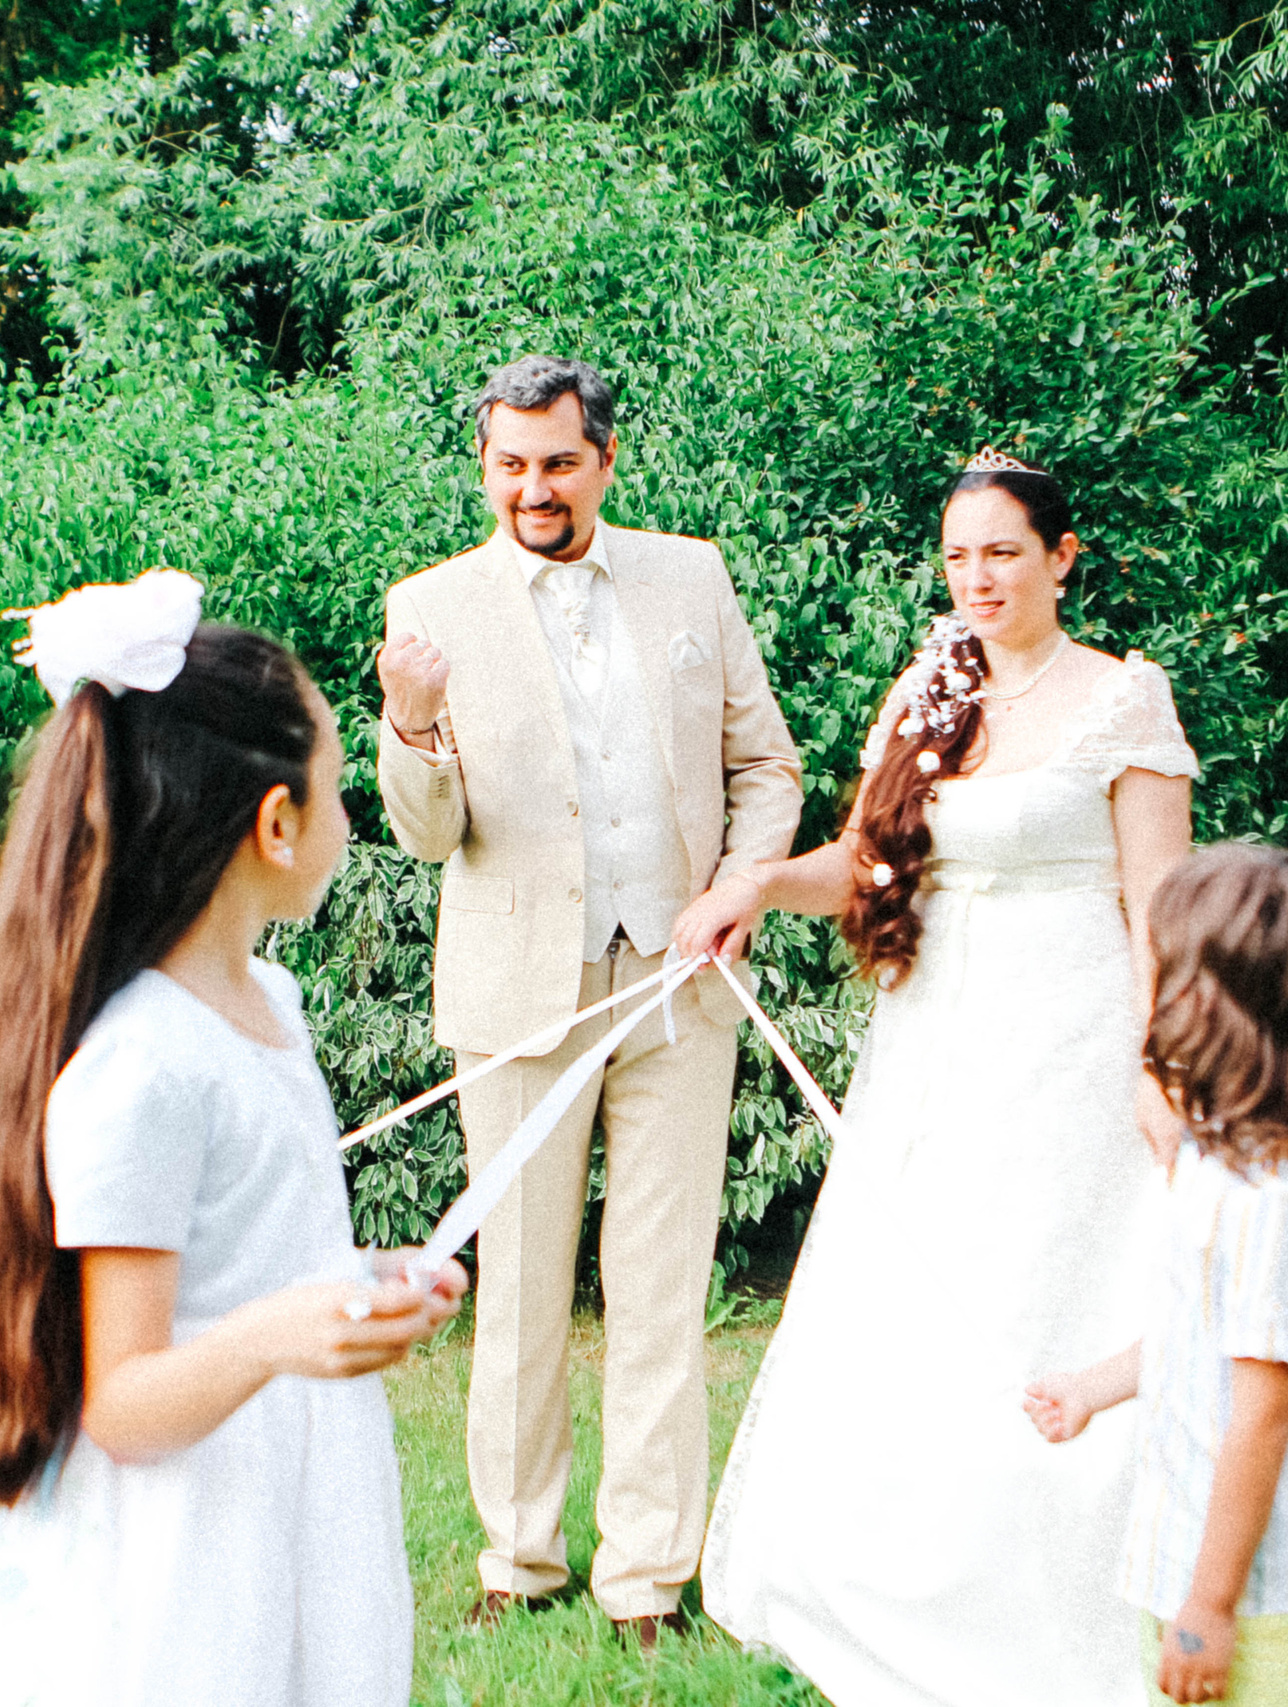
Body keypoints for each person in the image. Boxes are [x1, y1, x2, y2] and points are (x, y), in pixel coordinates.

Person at [677, 450, 1199, 1703]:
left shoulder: (1125, 700)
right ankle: (893, 1568)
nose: (978, 578)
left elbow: (1166, 911)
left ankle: (1058, 1589)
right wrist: (755, 883)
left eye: (1004, 552)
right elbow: (863, 865)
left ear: (1062, 558)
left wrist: (1163, 1063)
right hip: (934, 1043)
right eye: (960, 555)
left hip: (1075, 1041)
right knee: (919, 1290)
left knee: (1048, 1286)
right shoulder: (931, 691)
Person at [0, 572, 467, 1707]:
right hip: (183, 1547)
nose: (350, 820)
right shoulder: (141, 1067)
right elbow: (123, 1405)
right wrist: (277, 1334)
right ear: (275, 823)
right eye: (341, 791)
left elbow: (250, 1259)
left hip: (289, 1481)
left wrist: (357, 1282)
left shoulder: (271, 1004)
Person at [374, 355, 802, 1642]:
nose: (533, 488)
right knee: (517, 1293)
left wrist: (735, 889)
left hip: (678, 984)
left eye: (557, 462)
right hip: (515, 995)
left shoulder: (692, 577)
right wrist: (409, 725)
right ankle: (519, 1561)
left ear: (602, 460)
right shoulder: (428, 607)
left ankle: (648, 1580)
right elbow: (423, 834)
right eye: (510, 464)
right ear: (484, 467)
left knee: (661, 1284)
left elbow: (765, 766)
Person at [1024, 843, 1288, 1707]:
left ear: (1226, 1010)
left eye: (1171, 975)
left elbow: (1262, 1419)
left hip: (1264, 1597)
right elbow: (1198, 1331)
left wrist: (1209, 1608)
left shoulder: (1284, 1206)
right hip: (1185, 1556)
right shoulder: (1217, 1163)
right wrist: (1095, 1385)